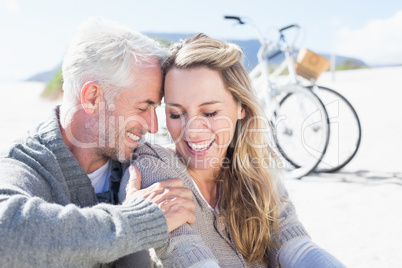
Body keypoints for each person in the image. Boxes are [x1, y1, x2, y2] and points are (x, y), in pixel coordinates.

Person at [119, 34, 346, 267]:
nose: (193, 131)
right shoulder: (152, 166)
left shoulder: (257, 169)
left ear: (241, 108)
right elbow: (184, 250)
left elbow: (295, 244)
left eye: (209, 113)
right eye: (176, 114)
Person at [0, 18, 197, 267]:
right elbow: (5, 232)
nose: (153, 126)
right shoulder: (26, 163)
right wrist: (141, 221)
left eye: (155, 108)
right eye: (143, 107)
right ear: (92, 97)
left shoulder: (143, 162)